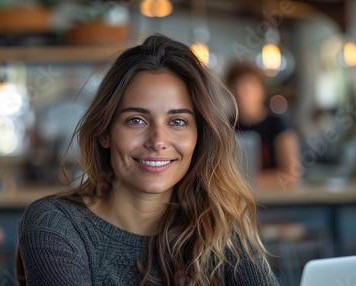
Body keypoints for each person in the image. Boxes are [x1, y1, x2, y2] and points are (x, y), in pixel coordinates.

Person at [18, 34, 279, 286]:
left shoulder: (219, 225)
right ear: (105, 132)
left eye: (177, 121)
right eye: (137, 120)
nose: (157, 141)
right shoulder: (56, 225)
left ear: (200, 137)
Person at [225, 62, 300, 190]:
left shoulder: (278, 125)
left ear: (262, 91)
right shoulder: (225, 126)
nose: (241, 93)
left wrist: (248, 181)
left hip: (274, 202)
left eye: (248, 87)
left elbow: (292, 176)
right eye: (236, 87)